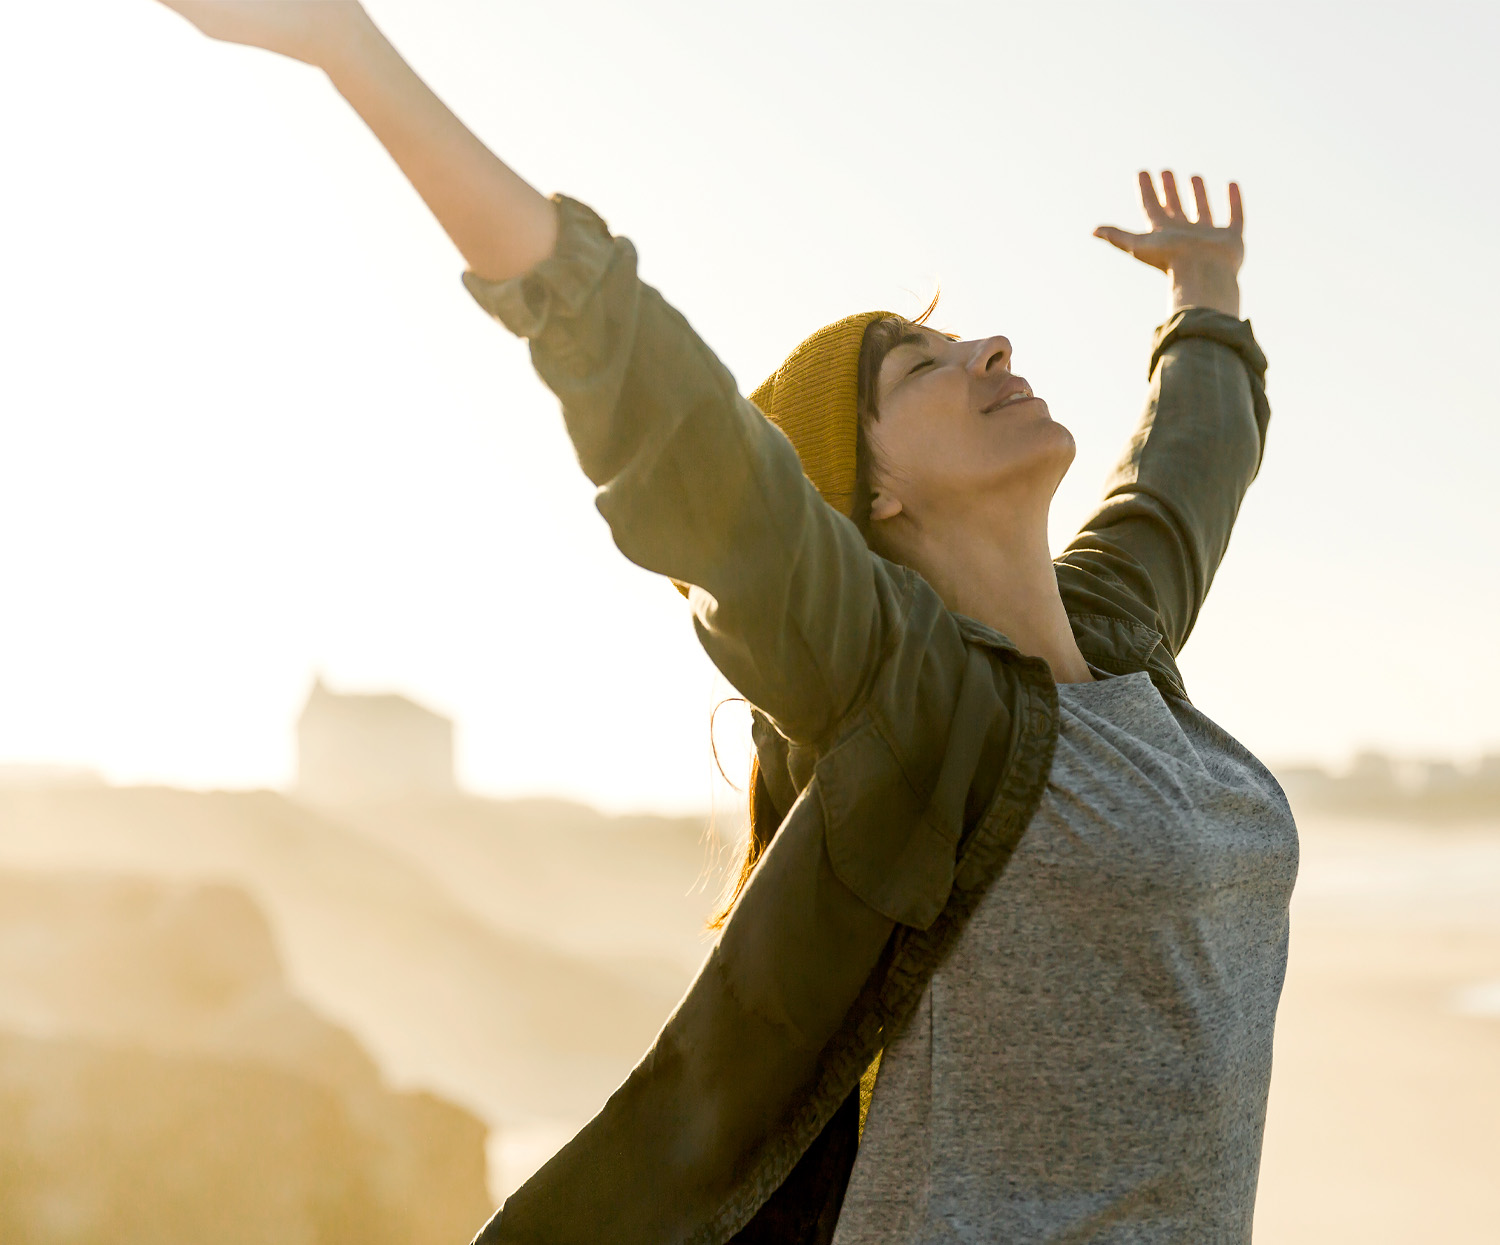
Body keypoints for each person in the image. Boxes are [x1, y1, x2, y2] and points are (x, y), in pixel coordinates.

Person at [150, 5, 1300, 1244]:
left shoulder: (1122, 640)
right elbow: (658, 401)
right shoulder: (902, 693)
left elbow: (1187, 464)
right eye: (919, 368)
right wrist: (346, 48)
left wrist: (1207, 290)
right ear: (874, 501)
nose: (986, 345)